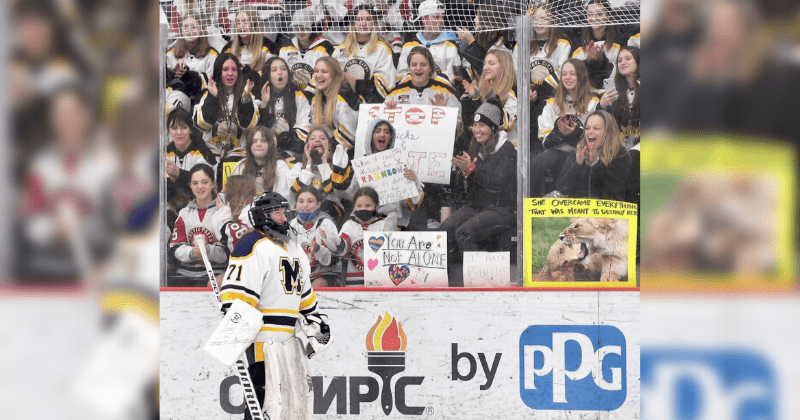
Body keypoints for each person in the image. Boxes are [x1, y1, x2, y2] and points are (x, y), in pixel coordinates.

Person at [220, 191, 329, 420]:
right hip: (261, 341)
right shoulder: (252, 243)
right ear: (262, 216)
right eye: (276, 213)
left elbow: (304, 293)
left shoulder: (294, 247)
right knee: (264, 406)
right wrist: (235, 330)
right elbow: (238, 297)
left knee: (291, 406)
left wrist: (315, 323)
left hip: (290, 343)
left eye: (283, 212)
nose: (283, 218)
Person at [443, 100, 516, 284]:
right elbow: (472, 184)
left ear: (492, 127)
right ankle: (450, 281)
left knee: (464, 232)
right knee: (445, 228)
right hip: (478, 206)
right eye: (475, 125)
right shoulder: (477, 147)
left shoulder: (507, 150)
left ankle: (478, 284)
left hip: (502, 209)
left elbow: (497, 183)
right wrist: (463, 173)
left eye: (482, 125)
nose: (477, 130)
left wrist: (471, 171)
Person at [531, 58, 600, 197]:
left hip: (585, 155)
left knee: (575, 161)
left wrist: (573, 134)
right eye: (564, 74)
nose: (568, 78)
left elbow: (596, 139)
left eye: (572, 74)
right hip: (558, 153)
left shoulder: (593, 103)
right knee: (535, 164)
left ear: (581, 76)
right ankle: (528, 207)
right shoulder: (551, 104)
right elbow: (545, 143)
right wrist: (560, 134)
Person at [346, 119, 423, 229]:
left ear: (390, 137)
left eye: (387, 132)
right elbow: (351, 194)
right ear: (371, 136)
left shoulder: (401, 162)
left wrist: (414, 181)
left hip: (393, 225)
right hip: (364, 223)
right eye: (378, 131)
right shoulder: (362, 164)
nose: (382, 134)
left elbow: (412, 205)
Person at [513, 4, 572, 134]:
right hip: (527, 99)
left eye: (544, 18)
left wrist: (539, 91)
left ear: (552, 21)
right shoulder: (521, 45)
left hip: (552, 96)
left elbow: (561, 74)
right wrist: (527, 90)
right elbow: (517, 72)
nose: (539, 22)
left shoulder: (562, 44)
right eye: (536, 19)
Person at [168, 164, 230, 285]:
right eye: (195, 183)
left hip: (214, 275)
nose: (200, 187)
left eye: (205, 182)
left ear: (213, 184)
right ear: (190, 186)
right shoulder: (184, 213)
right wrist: (191, 252)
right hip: (184, 275)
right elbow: (174, 249)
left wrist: (208, 250)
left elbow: (227, 251)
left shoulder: (222, 211)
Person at [554, 110, 631, 201]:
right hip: (579, 212)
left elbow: (614, 191)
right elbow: (562, 188)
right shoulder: (578, 153)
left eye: (596, 128)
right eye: (587, 128)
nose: (590, 132)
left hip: (607, 212)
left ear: (609, 132)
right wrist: (577, 164)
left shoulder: (621, 154)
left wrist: (596, 163)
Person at [331, 5, 397, 103]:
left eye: (368, 19)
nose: (364, 23)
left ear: (374, 23)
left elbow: (385, 83)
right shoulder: (340, 49)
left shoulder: (382, 48)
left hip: (371, 106)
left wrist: (354, 84)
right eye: (359, 19)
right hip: (344, 105)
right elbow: (332, 78)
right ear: (353, 23)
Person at [193, 52, 259, 148]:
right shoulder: (208, 94)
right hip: (212, 153)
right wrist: (213, 97)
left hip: (238, 154)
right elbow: (201, 125)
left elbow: (250, 127)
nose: (230, 73)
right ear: (218, 71)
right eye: (225, 69)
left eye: (234, 69)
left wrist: (245, 100)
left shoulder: (246, 94)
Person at [396, 0, 472, 83]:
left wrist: (432, 87)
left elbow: (455, 77)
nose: (441, 21)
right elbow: (401, 76)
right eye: (436, 17)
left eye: (442, 17)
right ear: (424, 19)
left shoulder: (451, 45)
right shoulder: (409, 46)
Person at [289, 127, 353, 224]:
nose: (317, 140)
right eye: (312, 138)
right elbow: (298, 191)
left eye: (322, 138)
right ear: (306, 145)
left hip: (331, 218)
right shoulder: (298, 168)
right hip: (303, 218)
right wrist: (309, 162)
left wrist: (324, 162)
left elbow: (333, 191)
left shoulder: (337, 168)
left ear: (329, 146)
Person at [336, 187, 397, 286]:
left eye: (368, 205)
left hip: (378, 282)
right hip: (352, 282)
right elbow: (342, 248)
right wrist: (337, 243)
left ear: (376, 206)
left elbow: (390, 252)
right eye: (359, 206)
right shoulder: (348, 225)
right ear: (354, 206)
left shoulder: (382, 225)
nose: (363, 208)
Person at [256, 56, 311, 160]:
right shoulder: (259, 97)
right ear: (267, 75)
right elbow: (254, 131)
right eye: (274, 70)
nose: (279, 73)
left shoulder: (298, 96)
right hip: (264, 152)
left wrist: (279, 140)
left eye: (283, 69)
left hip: (291, 153)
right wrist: (264, 104)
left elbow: (303, 133)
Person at [461, 50, 517, 148]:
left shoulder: (512, 94)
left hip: (507, 151)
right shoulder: (480, 91)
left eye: (491, 64)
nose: (485, 67)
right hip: (485, 152)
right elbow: (471, 126)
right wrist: (475, 98)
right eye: (484, 64)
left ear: (503, 67)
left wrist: (491, 97)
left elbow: (505, 125)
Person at [290, 186, 343, 287]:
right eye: (301, 201)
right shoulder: (292, 225)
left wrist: (318, 249)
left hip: (325, 273)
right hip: (300, 275)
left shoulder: (326, 223)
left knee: (317, 286)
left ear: (318, 204)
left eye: (310, 201)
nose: (305, 205)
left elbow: (336, 255)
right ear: (296, 203)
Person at [165, 108, 216, 212]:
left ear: (190, 129)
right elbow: (162, 195)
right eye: (174, 128)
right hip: (172, 210)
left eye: (184, 127)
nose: (179, 132)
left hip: (200, 209)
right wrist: (171, 180)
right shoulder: (164, 154)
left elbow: (203, 188)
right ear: (168, 131)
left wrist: (178, 173)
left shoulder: (202, 151)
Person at [310, 56, 362, 156]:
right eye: (316, 71)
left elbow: (349, 136)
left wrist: (323, 151)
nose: (319, 75)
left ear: (335, 75)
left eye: (324, 72)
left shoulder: (345, 97)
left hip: (346, 156)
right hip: (328, 153)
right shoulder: (315, 100)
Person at [279, 7, 335, 89]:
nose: (300, 31)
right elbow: (282, 73)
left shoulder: (325, 47)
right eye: (296, 28)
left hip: (318, 92)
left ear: (312, 27)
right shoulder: (286, 47)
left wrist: (307, 92)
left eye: (304, 28)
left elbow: (330, 76)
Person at [571, 0, 622, 89]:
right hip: (586, 93)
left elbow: (620, 72)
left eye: (599, 14)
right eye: (590, 14)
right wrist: (589, 61)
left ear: (608, 15)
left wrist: (602, 60)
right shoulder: (578, 42)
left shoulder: (620, 38)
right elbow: (575, 72)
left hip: (612, 91)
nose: (594, 18)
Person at [230, 126, 292, 198]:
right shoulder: (241, 166)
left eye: (263, 141)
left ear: (270, 144)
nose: (258, 144)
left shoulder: (280, 166)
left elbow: (283, 197)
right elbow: (234, 196)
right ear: (249, 145)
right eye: (254, 141)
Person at [166, 15, 218, 100]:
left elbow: (212, 84)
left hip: (202, 100)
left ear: (201, 30)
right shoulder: (170, 54)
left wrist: (191, 77)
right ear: (180, 31)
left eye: (194, 27)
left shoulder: (212, 55)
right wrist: (174, 75)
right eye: (185, 27)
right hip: (176, 100)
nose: (189, 30)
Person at [599, 46, 639, 149]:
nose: (622, 62)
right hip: (621, 142)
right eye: (619, 60)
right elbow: (608, 124)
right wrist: (602, 106)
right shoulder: (614, 91)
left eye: (628, 58)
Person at [456, 3, 513, 76]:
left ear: (487, 20)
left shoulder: (500, 46)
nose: (474, 19)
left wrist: (471, 42)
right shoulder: (483, 40)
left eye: (478, 16)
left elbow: (486, 71)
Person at [222, 6, 276, 74]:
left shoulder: (269, 47)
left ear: (255, 24)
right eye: (238, 23)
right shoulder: (228, 48)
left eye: (245, 22)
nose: (241, 26)